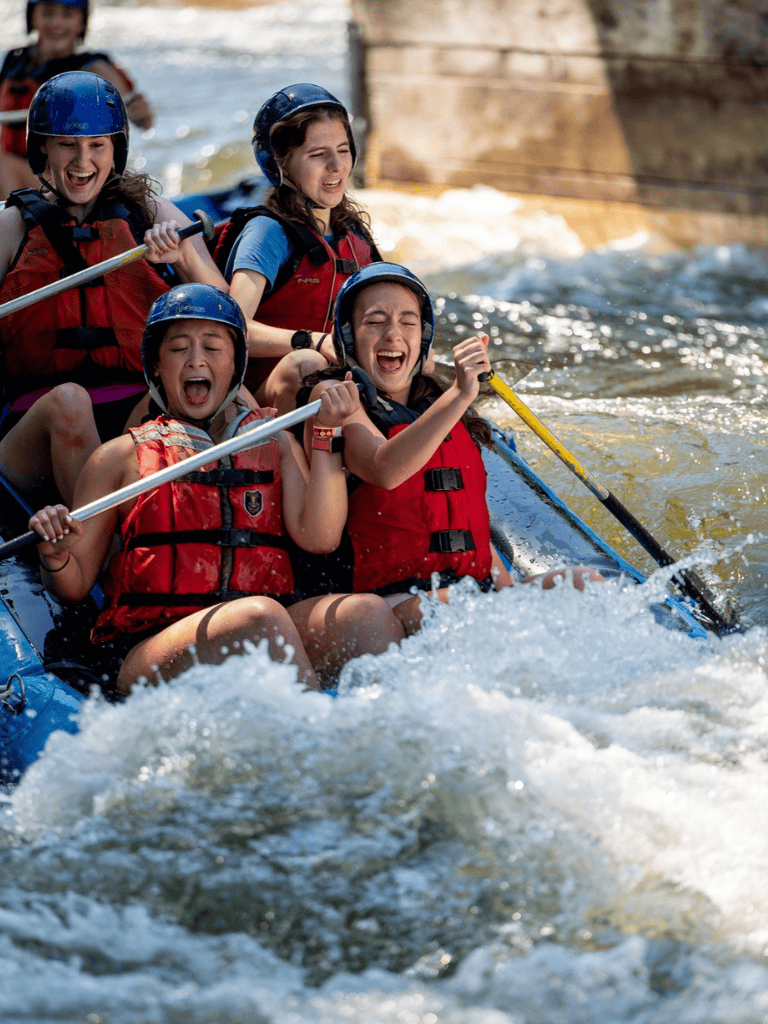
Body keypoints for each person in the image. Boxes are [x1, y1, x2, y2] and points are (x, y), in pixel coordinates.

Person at [27, 283, 405, 693]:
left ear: (235, 366)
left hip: (260, 623)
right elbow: (74, 586)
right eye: (178, 349)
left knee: (368, 615)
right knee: (258, 619)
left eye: (212, 348)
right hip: (150, 646)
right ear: (155, 365)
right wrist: (56, 555)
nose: (196, 360)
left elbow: (321, 535)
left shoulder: (271, 441)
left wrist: (328, 431)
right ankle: (320, 742)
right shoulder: (117, 458)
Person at [302, 263, 604, 635]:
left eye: (407, 322)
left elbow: (466, 520)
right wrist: (462, 393)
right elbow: (385, 468)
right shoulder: (334, 398)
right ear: (348, 337)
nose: (393, 334)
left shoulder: (438, 402)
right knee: (463, 608)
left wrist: (504, 590)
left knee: (585, 583)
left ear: (424, 336)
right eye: (375, 322)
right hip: (389, 600)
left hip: (471, 593)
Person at [0, 70, 227, 505]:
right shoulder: (11, 228)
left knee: (201, 399)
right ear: (42, 146)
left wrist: (183, 261)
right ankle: (102, 554)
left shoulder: (151, 214)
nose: (82, 162)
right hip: (34, 429)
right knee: (70, 402)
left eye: (96, 145)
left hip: (134, 416)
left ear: (115, 149)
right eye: (67, 144)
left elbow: (227, 313)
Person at [217, 82, 381, 415]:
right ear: (281, 164)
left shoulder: (354, 236)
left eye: (344, 149)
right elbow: (233, 330)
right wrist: (314, 341)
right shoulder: (267, 234)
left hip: (336, 391)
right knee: (306, 363)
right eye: (318, 155)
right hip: (261, 399)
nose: (336, 165)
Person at [0, 0, 153, 198]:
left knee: (3, 164)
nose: (57, 23)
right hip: (16, 177)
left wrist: (136, 110)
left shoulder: (96, 68)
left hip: (69, 180)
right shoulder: (15, 61)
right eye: (47, 13)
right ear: (33, 17)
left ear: (82, 22)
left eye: (67, 14)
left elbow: (144, 121)